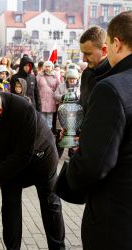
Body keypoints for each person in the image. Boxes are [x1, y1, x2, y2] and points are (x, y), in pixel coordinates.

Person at [56, 11, 132, 250]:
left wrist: (66, 182)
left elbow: (94, 164)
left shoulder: (111, 88)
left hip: (117, 219)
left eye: (108, 44)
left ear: (116, 44)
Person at [0, 89, 65, 250]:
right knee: (10, 204)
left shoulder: (22, 109)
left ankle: (57, 247)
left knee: (50, 204)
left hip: (41, 158)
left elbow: (23, 155)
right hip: (8, 160)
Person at [79, 26, 111, 113]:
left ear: (104, 50)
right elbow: (83, 105)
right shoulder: (86, 73)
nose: (84, 59)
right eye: (83, 54)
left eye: (88, 54)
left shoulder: (115, 75)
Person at [36, 60, 60, 129]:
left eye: (49, 66)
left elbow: (59, 87)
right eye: (46, 66)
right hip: (42, 99)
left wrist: (57, 99)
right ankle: (43, 132)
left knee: (49, 118)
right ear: (43, 67)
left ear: (52, 67)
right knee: (42, 117)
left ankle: (49, 132)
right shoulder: (39, 75)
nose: (47, 68)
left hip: (51, 99)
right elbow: (36, 86)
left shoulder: (55, 76)